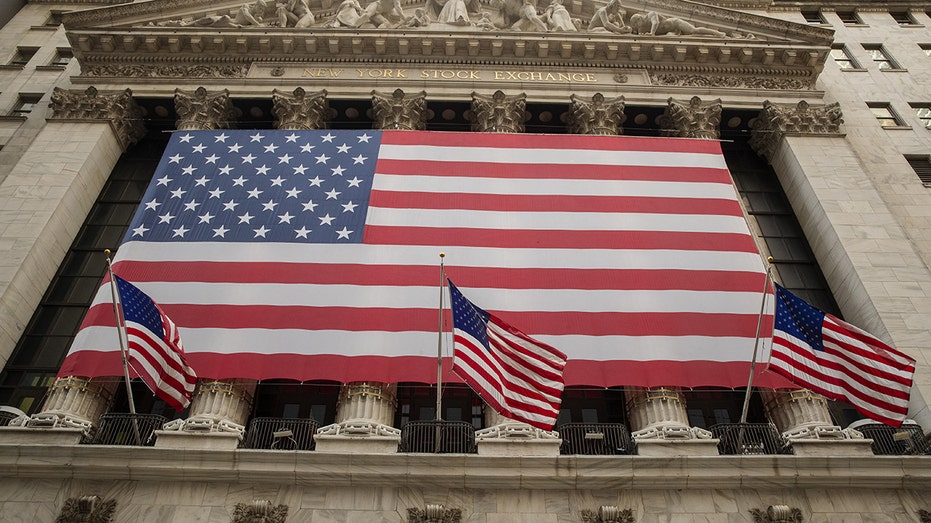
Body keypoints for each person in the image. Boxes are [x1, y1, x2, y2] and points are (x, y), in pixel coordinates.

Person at [629, 10, 726, 36]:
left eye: (636, 24)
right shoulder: (642, 29)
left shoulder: (650, 15)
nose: (637, 27)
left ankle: (717, 33)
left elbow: (656, 23)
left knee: (693, 30)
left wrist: (652, 33)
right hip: (671, 32)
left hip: (675, 23)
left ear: (639, 19)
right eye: (635, 26)